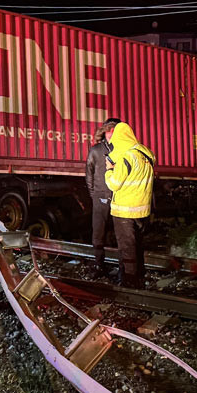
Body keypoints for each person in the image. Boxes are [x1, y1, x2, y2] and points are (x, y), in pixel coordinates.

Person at [104, 121, 155, 289]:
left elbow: (114, 184)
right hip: (142, 211)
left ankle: (130, 283)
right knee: (137, 246)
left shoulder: (126, 157)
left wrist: (109, 170)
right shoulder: (146, 154)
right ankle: (139, 277)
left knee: (127, 249)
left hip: (124, 212)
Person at [85, 116, 122, 277]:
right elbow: (89, 174)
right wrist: (95, 194)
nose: (110, 134)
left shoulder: (123, 151)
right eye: (108, 130)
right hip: (101, 197)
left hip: (119, 197)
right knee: (98, 234)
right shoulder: (95, 151)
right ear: (104, 132)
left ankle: (123, 268)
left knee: (121, 234)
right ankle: (99, 264)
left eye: (114, 131)